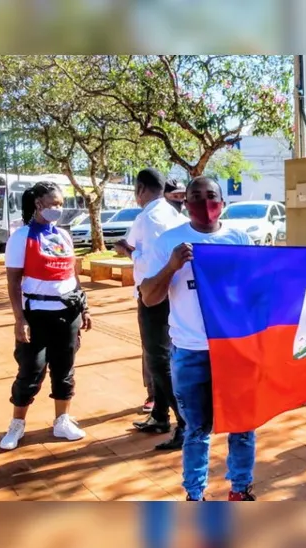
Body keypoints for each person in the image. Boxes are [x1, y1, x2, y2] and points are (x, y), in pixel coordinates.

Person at [140, 176, 257, 502]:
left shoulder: (239, 238)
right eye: (196, 197)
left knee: (243, 426)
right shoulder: (169, 242)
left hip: (234, 349)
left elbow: (254, 290)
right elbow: (148, 296)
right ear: (185, 202)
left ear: (222, 201)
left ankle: (240, 490)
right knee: (196, 430)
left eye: (211, 196)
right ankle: (195, 496)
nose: (204, 204)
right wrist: (172, 266)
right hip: (191, 352)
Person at [0, 182, 91, 451]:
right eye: (53, 204)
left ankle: (62, 420)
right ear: (38, 204)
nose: (58, 209)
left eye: (60, 204)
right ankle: (17, 423)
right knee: (31, 370)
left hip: (67, 311)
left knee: (64, 369)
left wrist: (85, 306)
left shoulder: (63, 236)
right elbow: (14, 282)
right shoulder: (21, 237)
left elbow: (72, 275)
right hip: (36, 314)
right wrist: (20, 319)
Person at [115, 168, 188, 451]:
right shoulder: (172, 214)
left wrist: (128, 252)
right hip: (177, 294)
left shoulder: (148, 217)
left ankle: (184, 422)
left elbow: (149, 262)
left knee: (157, 360)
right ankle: (159, 415)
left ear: (142, 189)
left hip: (155, 295)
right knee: (165, 356)